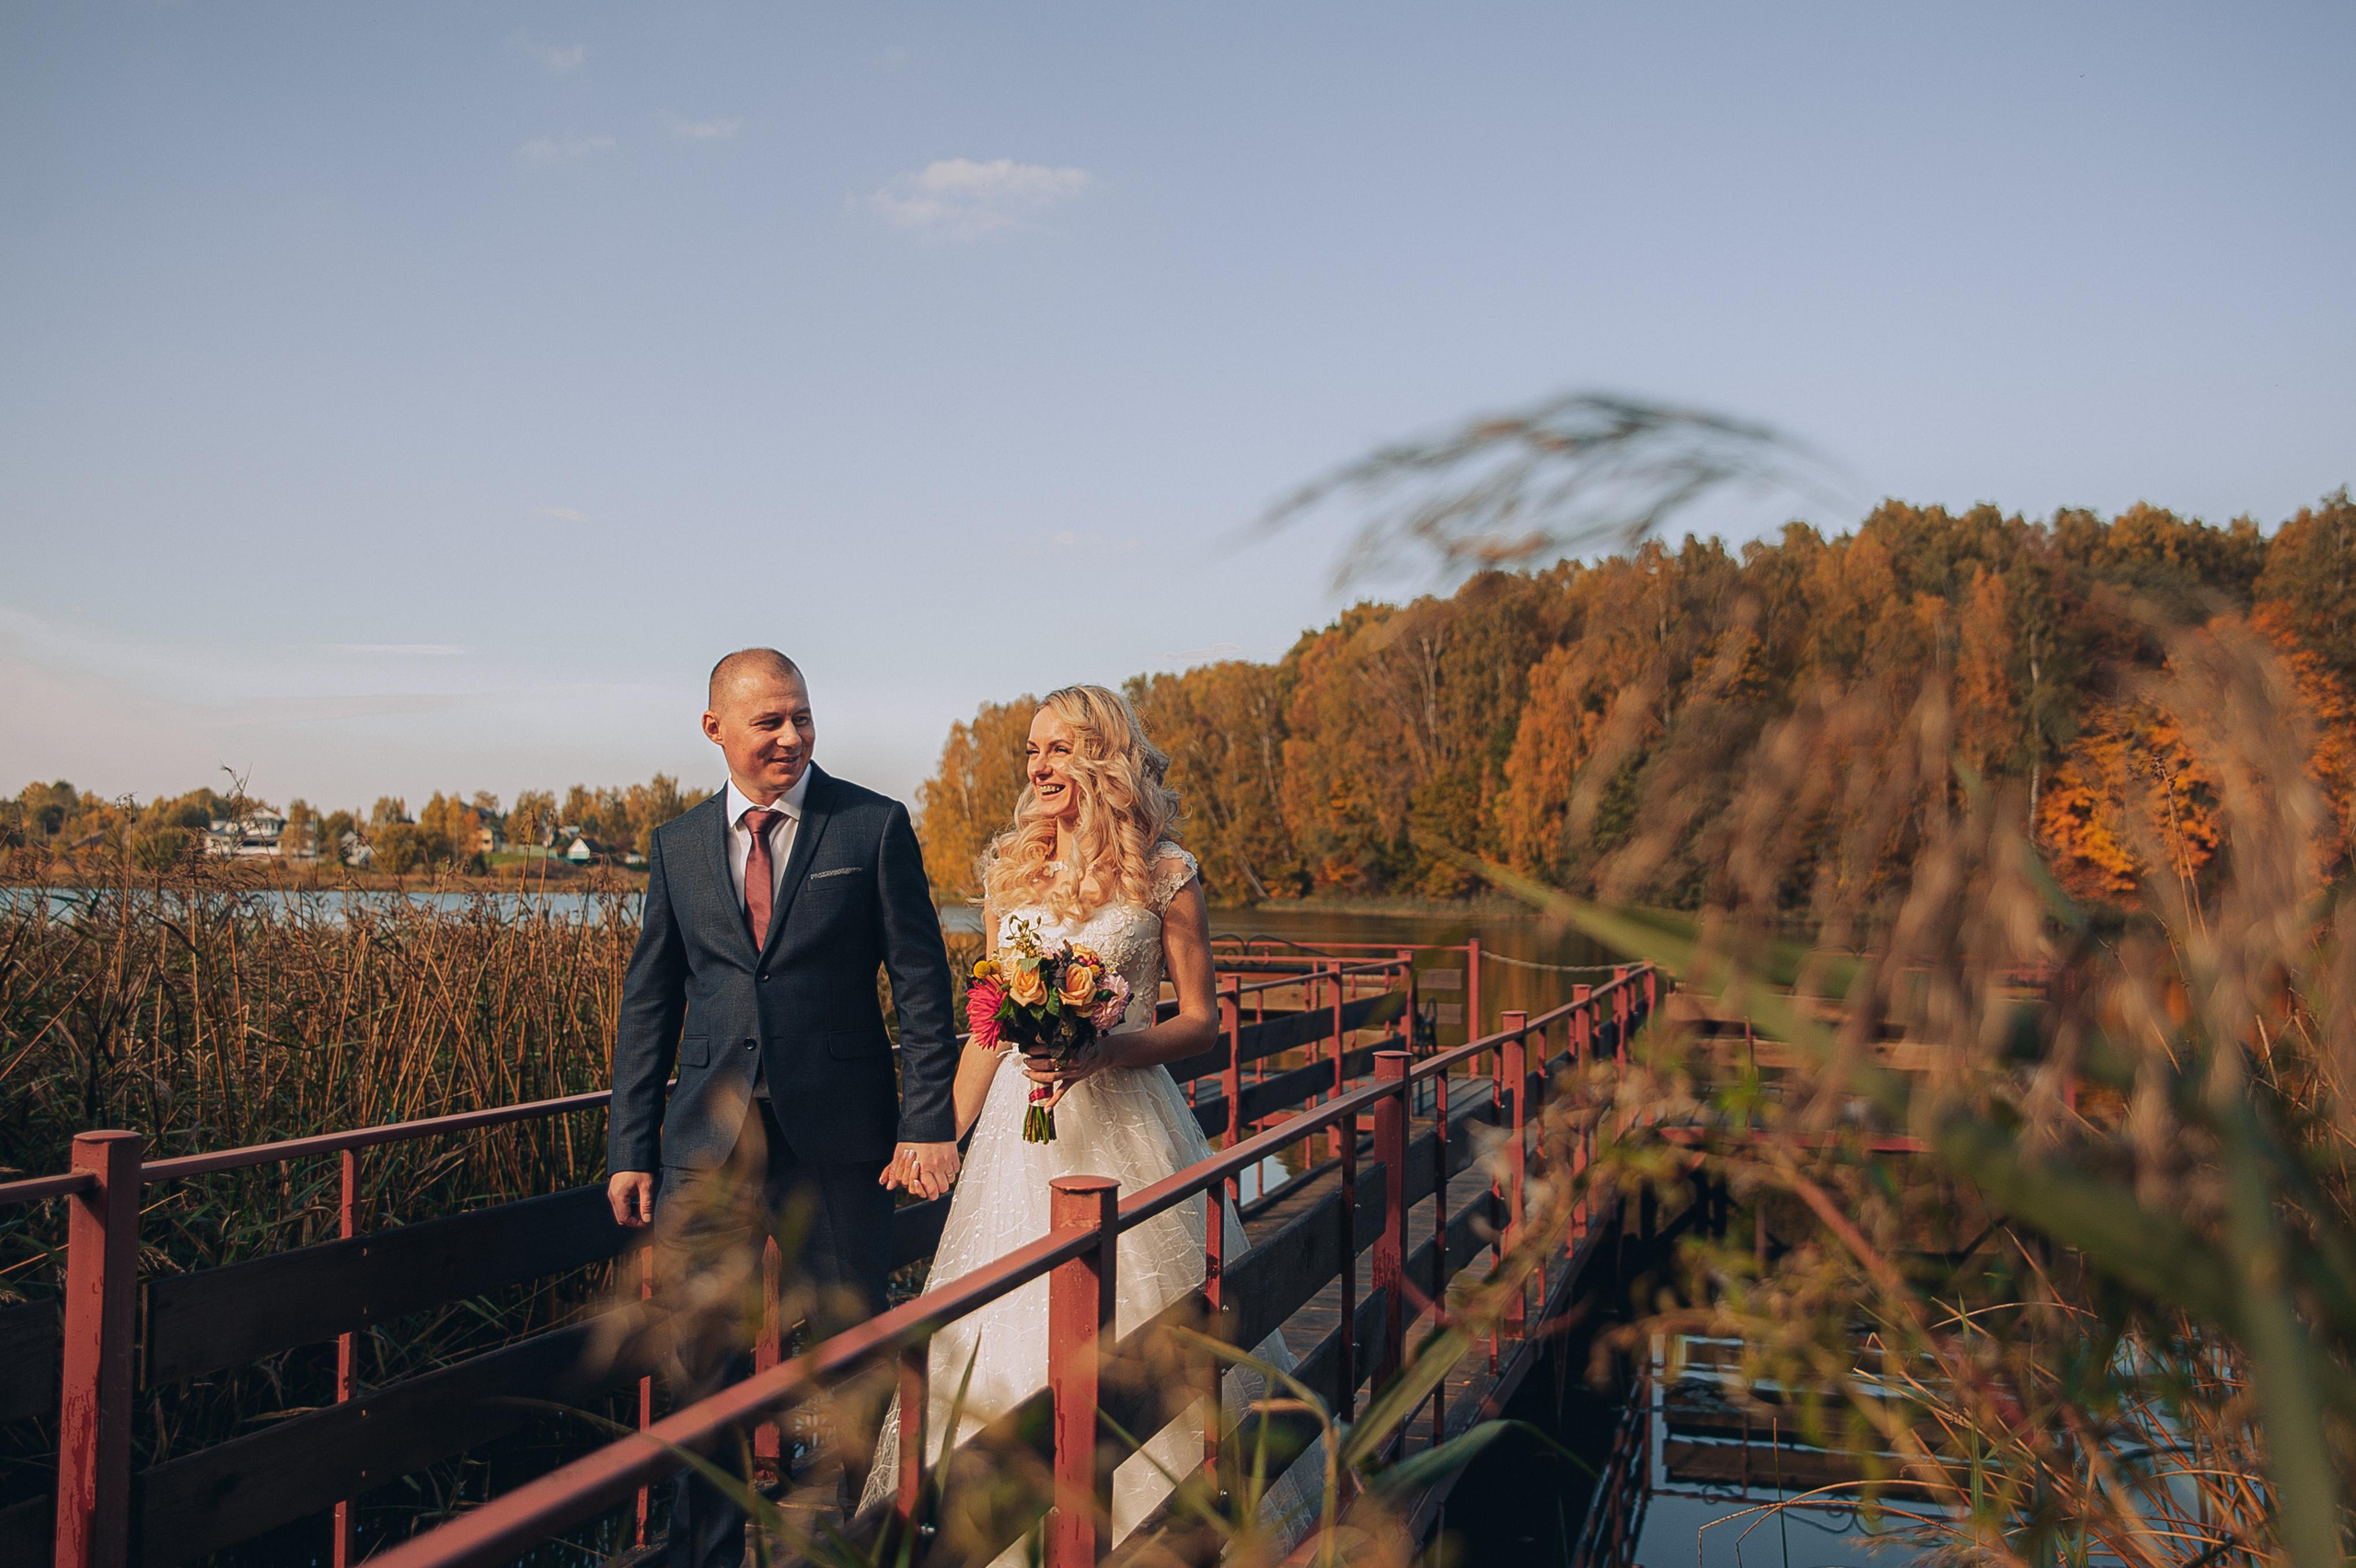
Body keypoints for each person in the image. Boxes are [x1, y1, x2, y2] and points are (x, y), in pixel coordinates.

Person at [861, 684, 1315, 1557]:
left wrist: (1106, 1050)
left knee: (1147, 1328)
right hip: (1016, 1142)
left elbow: (1202, 1021)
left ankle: (1162, 1530)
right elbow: (989, 1030)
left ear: (1105, 756)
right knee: (1003, 1326)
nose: (1039, 766)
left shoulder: (1167, 872)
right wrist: (936, 1136)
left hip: (1127, 1128)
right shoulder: (1010, 874)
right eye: (1033, 751)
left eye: (1060, 748)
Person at [606, 648, 962, 1568]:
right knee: (702, 1371)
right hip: (704, 1149)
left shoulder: (869, 827)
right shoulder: (676, 845)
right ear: (714, 727)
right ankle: (708, 1554)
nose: (791, 736)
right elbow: (651, 1001)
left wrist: (926, 1122)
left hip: (843, 1139)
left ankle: (850, 1547)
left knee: (852, 1354)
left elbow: (923, 986)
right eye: (768, 721)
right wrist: (629, 1147)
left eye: (801, 716)